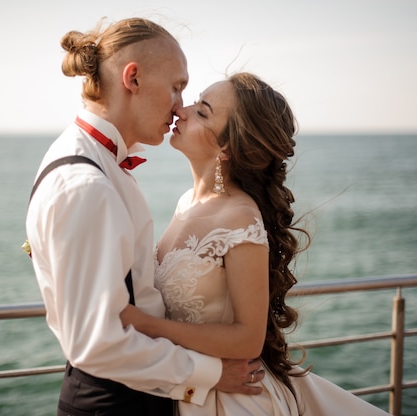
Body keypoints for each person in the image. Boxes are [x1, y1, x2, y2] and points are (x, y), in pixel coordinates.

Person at [24, 18, 265, 416]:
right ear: (132, 78)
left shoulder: (101, 164)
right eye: (177, 87)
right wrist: (208, 374)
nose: (179, 106)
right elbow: (98, 344)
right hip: (116, 404)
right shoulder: (87, 184)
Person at [120, 72, 390, 415]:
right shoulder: (187, 201)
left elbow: (248, 338)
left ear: (227, 147)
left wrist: (147, 325)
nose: (182, 111)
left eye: (203, 111)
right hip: (190, 390)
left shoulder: (240, 216)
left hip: (232, 401)